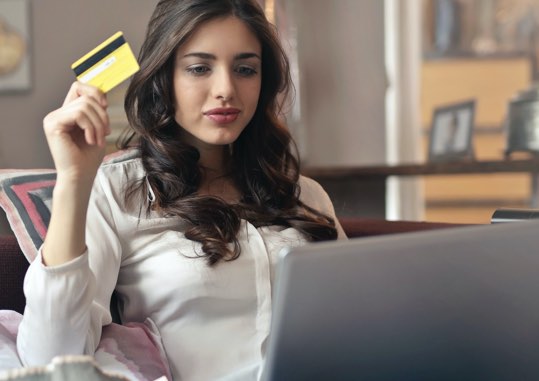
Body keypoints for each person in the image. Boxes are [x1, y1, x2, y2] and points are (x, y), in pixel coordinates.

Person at [16, 0, 346, 380]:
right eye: (199, 68)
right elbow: (51, 357)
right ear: (164, 79)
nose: (226, 89)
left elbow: (361, 318)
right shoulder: (117, 194)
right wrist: (73, 181)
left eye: (245, 69)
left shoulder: (305, 196)